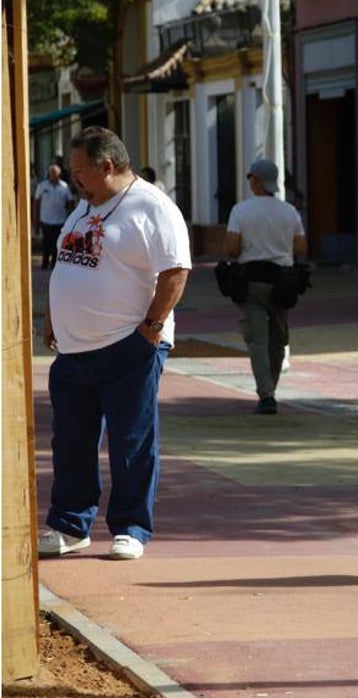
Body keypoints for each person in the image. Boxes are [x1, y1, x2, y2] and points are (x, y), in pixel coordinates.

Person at [38, 126, 191, 561]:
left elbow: (176, 270)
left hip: (129, 347)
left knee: (131, 442)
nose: (74, 180)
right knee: (70, 443)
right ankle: (70, 526)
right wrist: (55, 315)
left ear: (108, 166)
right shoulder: (85, 207)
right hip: (73, 350)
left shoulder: (153, 207)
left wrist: (151, 327)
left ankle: (131, 528)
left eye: (81, 171)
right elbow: (69, 259)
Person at [224, 158, 307, 414]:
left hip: (251, 281)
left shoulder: (240, 211)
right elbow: (301, 248)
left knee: (257, 340)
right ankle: (272, 386)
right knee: (278, 338)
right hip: (283, 281)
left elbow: (232, 248)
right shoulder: (289, 211)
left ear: (256, 180)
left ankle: (266, 395)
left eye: (250, 176)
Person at [33, 164, 75, 269]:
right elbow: (36, 202)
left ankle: (55, 264)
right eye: (52, 174)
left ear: (59, 175)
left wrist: (70, 217)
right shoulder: (42, 186)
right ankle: (45, 263)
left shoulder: (64, 186)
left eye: (56, 174)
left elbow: (70, 202)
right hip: (45, 219)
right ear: (49, 174)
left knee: (57, 243)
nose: (54, 176)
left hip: (60, 219)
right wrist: (36, 219)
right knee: (46, 242)